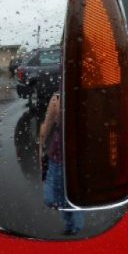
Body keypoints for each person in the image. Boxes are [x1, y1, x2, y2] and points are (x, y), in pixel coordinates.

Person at [38, 93, 84, 235]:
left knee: (72, 196)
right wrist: (40, 151)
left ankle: (74, 227)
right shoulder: (57, 97)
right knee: (50, 198)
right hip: (56, 158)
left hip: (77, 160)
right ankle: (72, 217)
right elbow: (46, 125)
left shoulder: (87, 96)